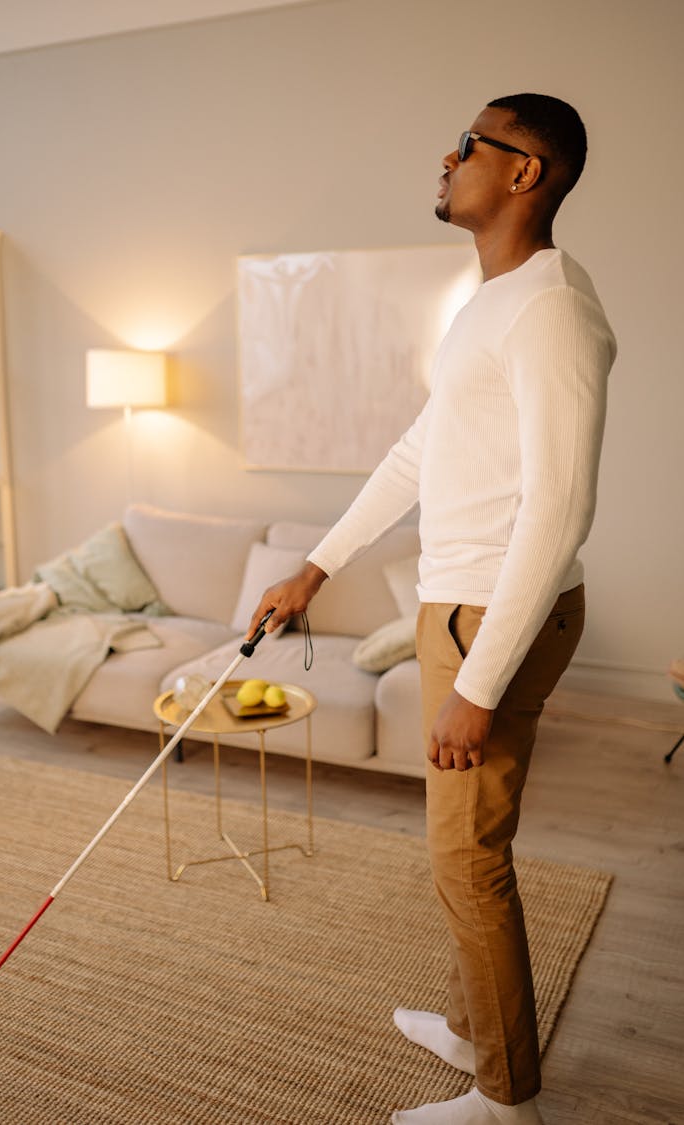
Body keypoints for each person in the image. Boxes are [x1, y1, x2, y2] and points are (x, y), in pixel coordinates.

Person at [247, 93, 616, 1124]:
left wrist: (481, 685)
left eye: (470, 145)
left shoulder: (553, 310)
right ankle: (474, 1030)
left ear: (523, 174)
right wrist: (315, 566)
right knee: (457, 854)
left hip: (492, 613)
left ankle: (507, 1100)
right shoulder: (490, 303)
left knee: (468, 859)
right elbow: (420, 450)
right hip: (459, 608)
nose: (446, 158)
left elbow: (560, 507)